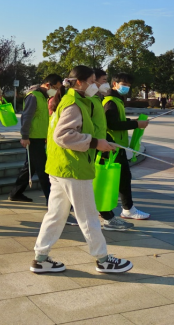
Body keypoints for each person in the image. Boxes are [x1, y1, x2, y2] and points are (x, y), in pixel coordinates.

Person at [30, 66, 133, 275]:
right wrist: (95, 143)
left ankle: (41, 259)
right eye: (93, 80)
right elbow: (63, 135)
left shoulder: (73, 99)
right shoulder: (74, 103)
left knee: (56, 215)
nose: (96, 85)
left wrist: (98, 142)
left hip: (61, 166)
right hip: (73, 168)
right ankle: (103, 260)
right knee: (88, 217)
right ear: (80, 82)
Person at [8, 73, 63, 204]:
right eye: (56, 88)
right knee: (43, 170)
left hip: (39, 137)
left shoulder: (43, 97)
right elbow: (26, 118)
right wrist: (25, 136)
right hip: (32, 138)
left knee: (30, 168)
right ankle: (52, 201)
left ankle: (15, 193)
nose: (56, 91)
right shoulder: (33, 96)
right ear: (48, 85)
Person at [91, 69, 134, 232]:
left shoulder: (97, 99)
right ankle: (111, 215)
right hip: (105, 146)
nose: (105, 84)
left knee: (121, 178)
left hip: (105, 145)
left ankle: (108, 215)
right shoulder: (107, 100)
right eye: (102, 80)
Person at [103, 73, 151, 220]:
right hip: (113, 146)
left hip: (116, 146)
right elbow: (113, 124)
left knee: (119, 178)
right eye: (123, 84)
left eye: (129, 85)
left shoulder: (117, 100)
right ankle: (127, 209)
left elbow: (118, 120)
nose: (126, 87)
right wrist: (136, 124)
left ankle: (107, 208)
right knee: (123, 178)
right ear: (114, 84)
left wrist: (133, 121)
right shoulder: (110, 101)